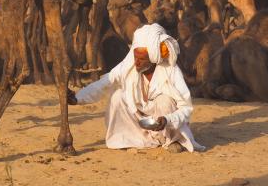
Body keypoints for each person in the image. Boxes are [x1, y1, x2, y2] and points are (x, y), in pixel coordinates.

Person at [69, 23, 204, 153]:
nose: (136, 62)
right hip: (141, 123)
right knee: (118, 97)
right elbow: (105, 83)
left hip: (166, 122)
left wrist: (167, 120)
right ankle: (132, 138)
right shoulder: (130, 65)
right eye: (135, 57)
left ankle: (171, 140)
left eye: (141, 59)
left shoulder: (171, 70)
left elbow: (186, 108)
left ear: (152, 58)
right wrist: (78, 98)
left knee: (165, 101)